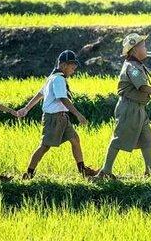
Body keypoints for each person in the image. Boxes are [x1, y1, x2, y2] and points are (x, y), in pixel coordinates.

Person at [96, 33, 151, 180]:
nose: (146, 49)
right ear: (134, 50)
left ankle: (150, 170)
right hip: (129, 108)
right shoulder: (132, 67)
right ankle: (105, 171)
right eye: (143, 46)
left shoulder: (136, 65)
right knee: (119, 138)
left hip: (139, 108)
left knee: (147, 138)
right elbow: (142, 87)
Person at [17, 50, 97, 180]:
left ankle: (82, 170)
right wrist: (78, 114)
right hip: (53, 118)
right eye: (72, 68)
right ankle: (29, 173)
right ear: (64, 65)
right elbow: (63, 99)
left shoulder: (52, 77)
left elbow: (40, 94)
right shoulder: (58, 79)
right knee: (44, 146)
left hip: (62, 117)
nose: (73, 71)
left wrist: (26, 108)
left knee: (75, 139)